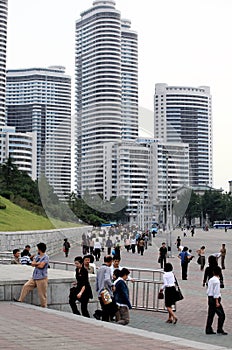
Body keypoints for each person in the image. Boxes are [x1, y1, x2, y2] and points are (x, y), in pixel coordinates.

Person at [14, 242, 49, 307]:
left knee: (42, 295)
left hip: (42, 278)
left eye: (38, 249)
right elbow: (32, 264)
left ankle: (44, 307)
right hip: (34, 277)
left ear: (40, 249)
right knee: (26, 286)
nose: (37, 250)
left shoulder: (46, 257)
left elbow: (41, 266)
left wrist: (36, 264)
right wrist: (38, 263)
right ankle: (20, 300)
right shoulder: (37, 256)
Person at [205, 266, 227, 335]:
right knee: (222, 315)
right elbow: (216, 292)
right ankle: (219, 329)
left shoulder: (211, 279)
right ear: (220, 273)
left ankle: (208, 328)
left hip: (210, 298)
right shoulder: (217, 281)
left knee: (211, 314)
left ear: (213, 272)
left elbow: (209, 290)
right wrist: (217, 302)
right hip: (215, 299)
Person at [96, 255, 116, 322]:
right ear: (111, 261)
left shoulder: (100, 268)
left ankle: (101, 316)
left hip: (100, 292)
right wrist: (112, 285)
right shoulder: (107, 269)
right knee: (110, 309)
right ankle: (99, 314)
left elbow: (97, 280)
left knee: (105, 308)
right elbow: (107, 279)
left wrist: (98, 289)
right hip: (106, 292)